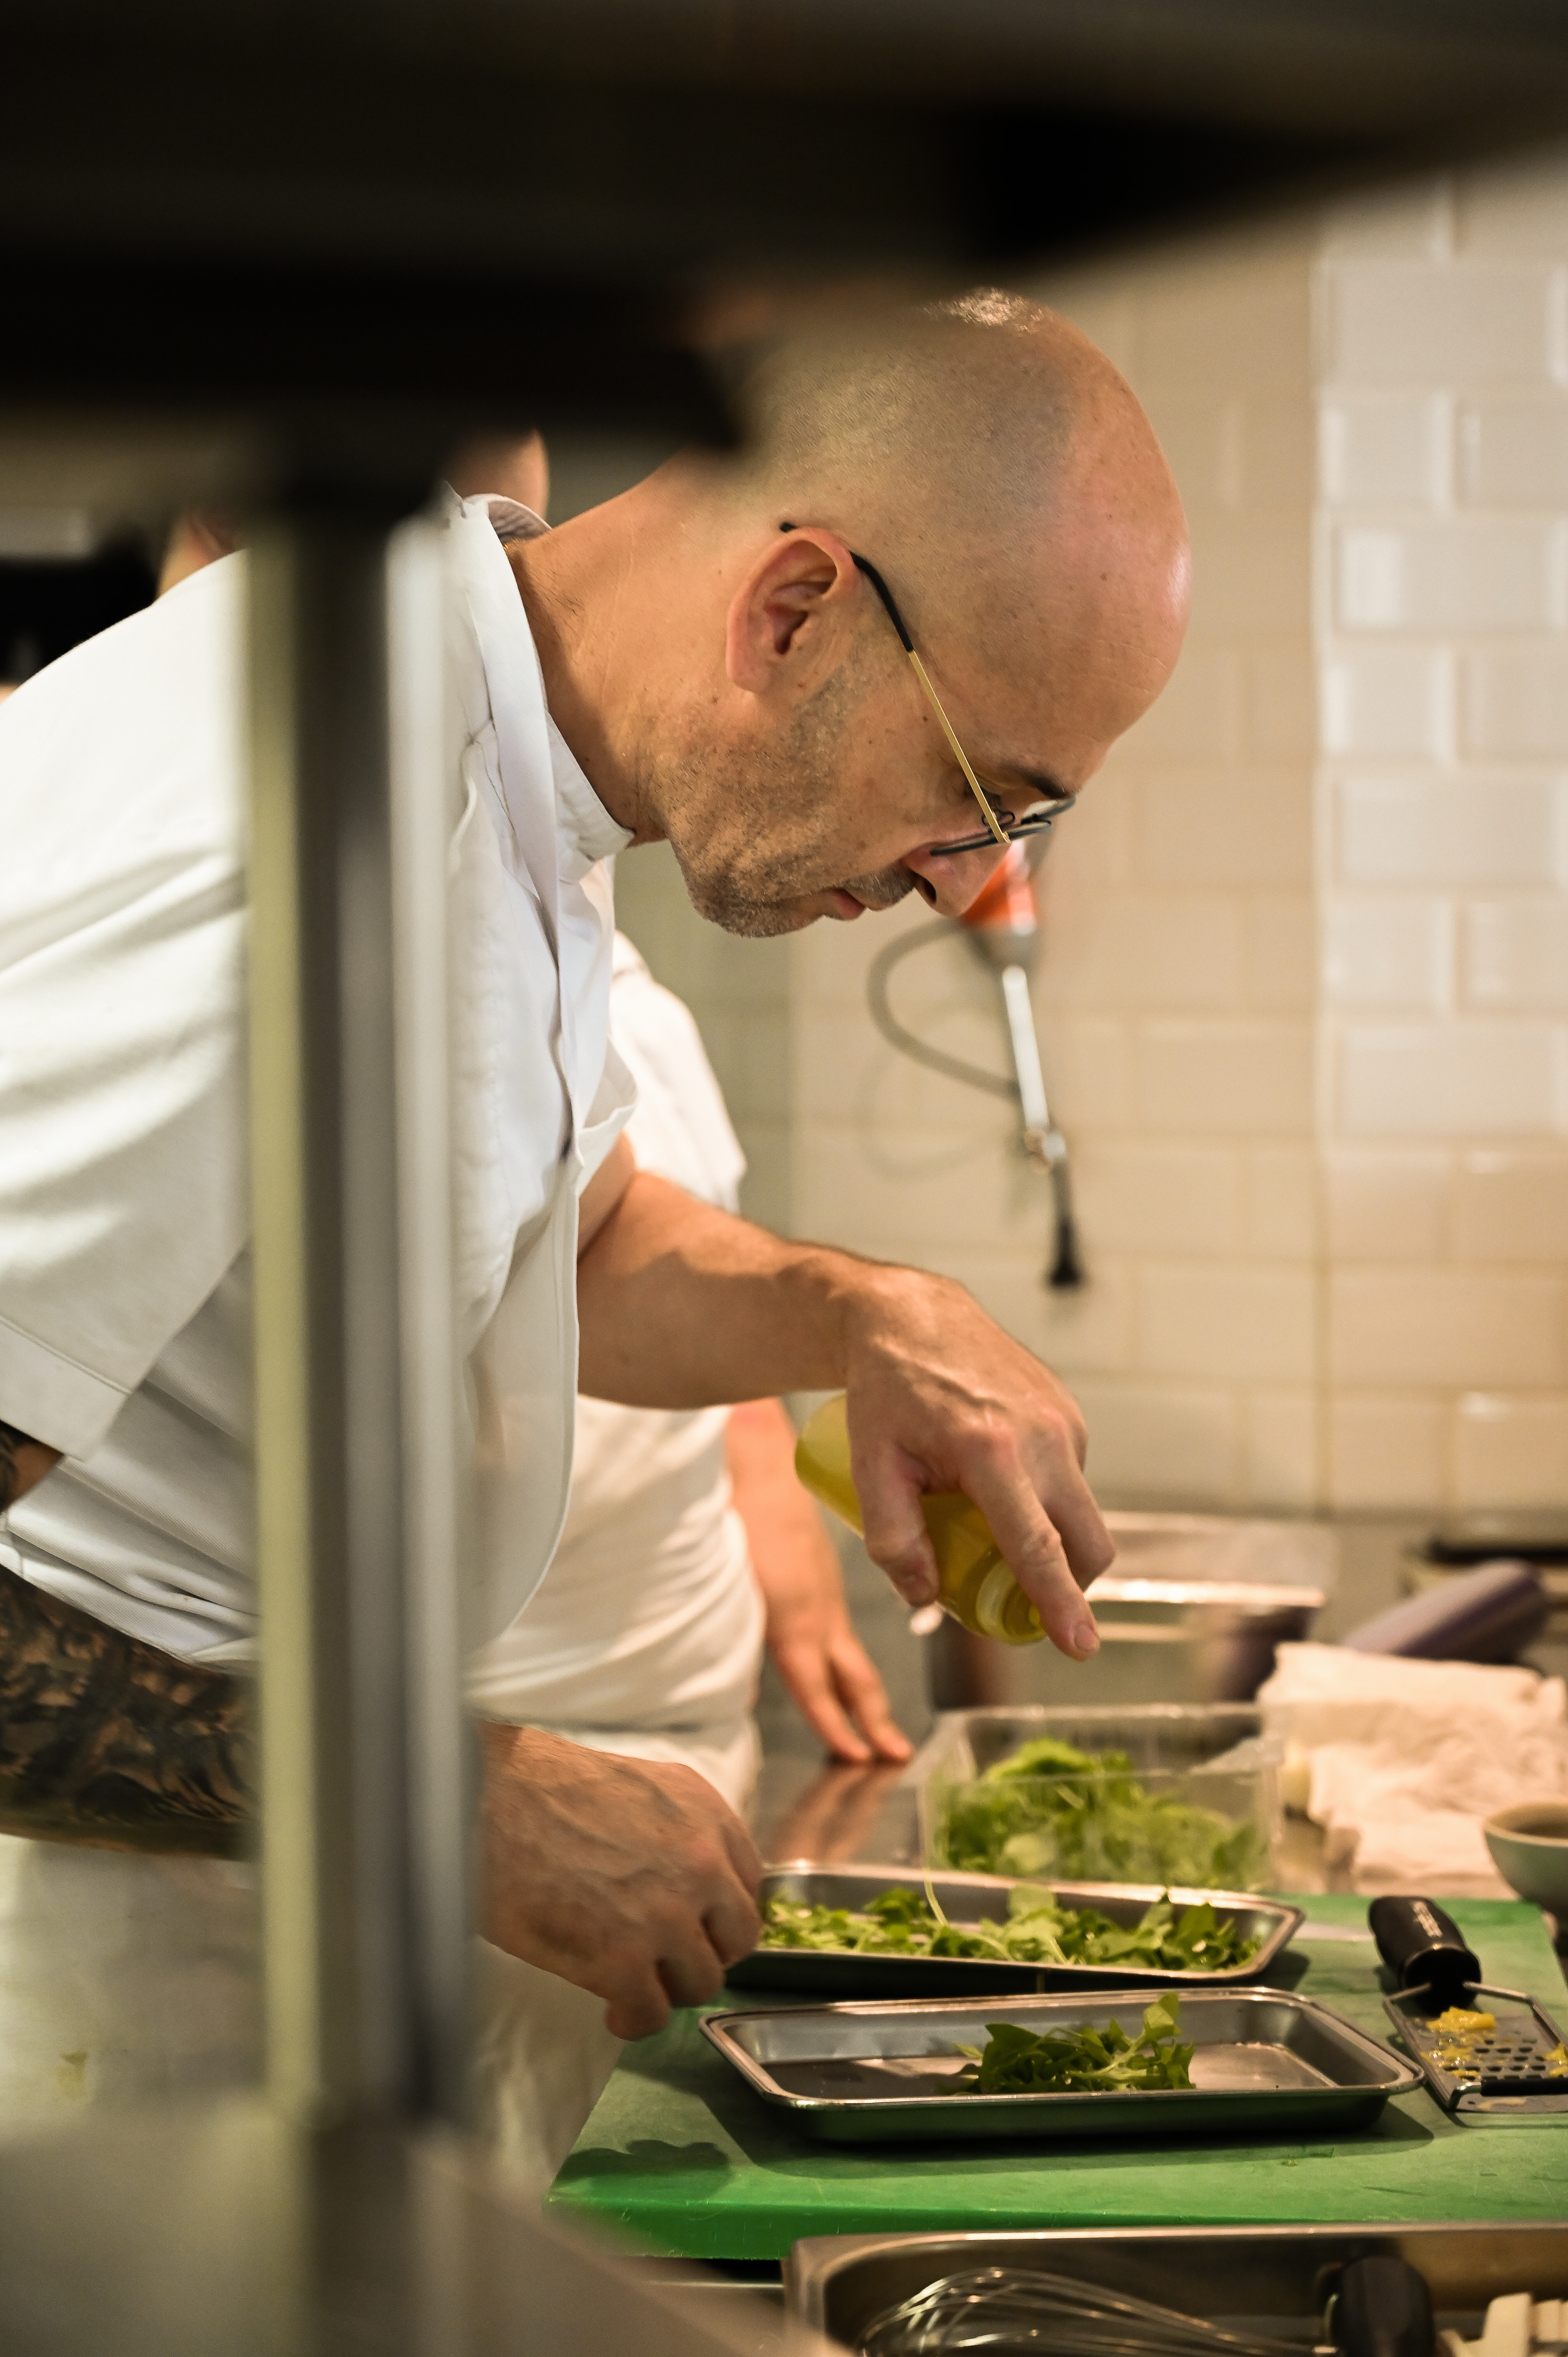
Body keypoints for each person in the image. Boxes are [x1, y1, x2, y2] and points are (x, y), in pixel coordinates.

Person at [0, 292, 1190, 2056]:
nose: (961, 882)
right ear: (791, 613)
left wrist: (858, 1310)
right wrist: (443, 1802)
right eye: (980, 797)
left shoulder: (509, 735)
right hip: (95, 1999)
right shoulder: (287, 837)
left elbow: (552, 1240)